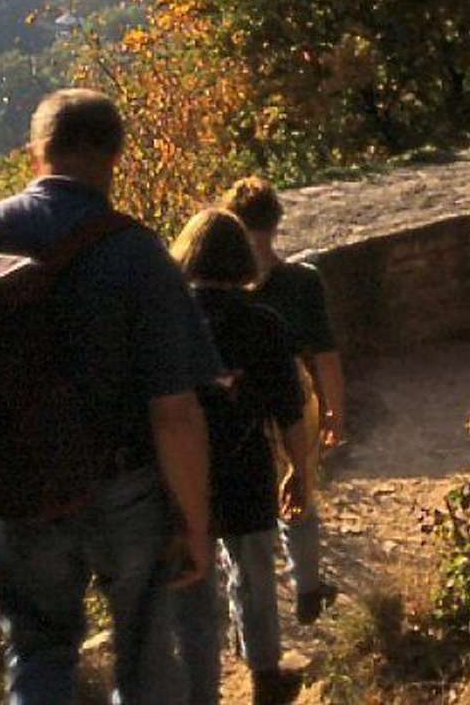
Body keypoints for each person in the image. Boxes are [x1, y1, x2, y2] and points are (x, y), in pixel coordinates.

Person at [0, 89, 221, 704]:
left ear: (36, 151)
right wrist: (196, 525)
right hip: (125, 489)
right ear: (114, 155)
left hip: (19, 487)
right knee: (146, 654)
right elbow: (175, 413)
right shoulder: (138, 254)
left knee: (38, 653)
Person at [169, 208, 312, 705]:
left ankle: (197, 687)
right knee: (254, 573)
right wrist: (300, 471)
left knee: (192, 586)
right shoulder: (263, 324)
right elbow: (290, 411)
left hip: (183, 469)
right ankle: (265, 675)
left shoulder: (168, 323)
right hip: (246, 464)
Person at [221, 177, 340, 626]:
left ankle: (248, 623)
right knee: (300, 494)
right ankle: (307, 586)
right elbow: (325, 354)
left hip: (236, 406)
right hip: (294, 395)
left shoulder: (212, 292)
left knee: (244, 520)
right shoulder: (301, 281)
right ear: (275, 223)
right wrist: (334, 412)